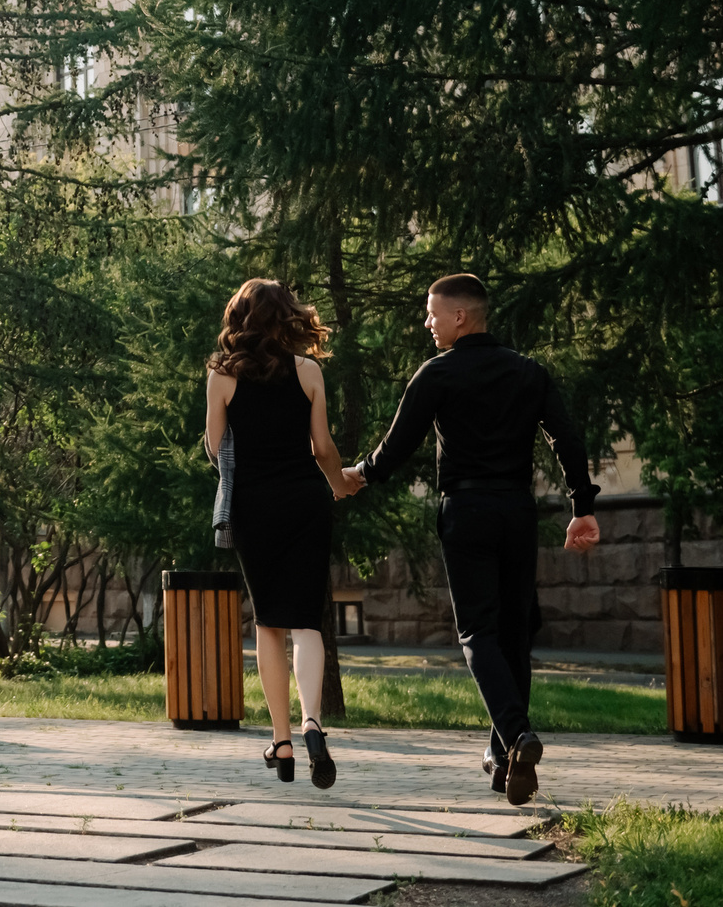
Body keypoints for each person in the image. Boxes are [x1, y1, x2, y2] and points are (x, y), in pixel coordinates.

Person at [343, 273, 600, 806]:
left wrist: (357, 475)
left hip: (466, 511)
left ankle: (517, 734)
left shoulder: (437, 374)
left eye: (433, 313)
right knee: (514, 632)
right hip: (516, 511)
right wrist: (582, 508)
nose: (427, 323)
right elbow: (567, 440)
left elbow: (395, 449)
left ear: (461, 316)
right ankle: (506, 759)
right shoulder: (529, 372)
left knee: (477, 633)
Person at [204, 278, 362, 789]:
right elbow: (322, 448)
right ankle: (313, 720)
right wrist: (340, 485)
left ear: (240, 317)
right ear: (286, 317)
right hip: (305, 502)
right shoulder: (309, 371)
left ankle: (283, 740)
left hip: (254, 506)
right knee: (307, 622)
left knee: (269, 623)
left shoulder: (222, 375)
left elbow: (214, 447)